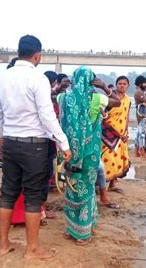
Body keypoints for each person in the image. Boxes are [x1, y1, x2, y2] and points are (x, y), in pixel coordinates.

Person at [0, 35, 71, 259]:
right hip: (34, 145)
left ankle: (3, 244)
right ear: (37, 55)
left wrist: (1, 140)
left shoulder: (2, 78)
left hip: (11, 142)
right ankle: (32, 249)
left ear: (19, 51)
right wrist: (63, 142)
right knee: (34, 196)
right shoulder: (38, 78)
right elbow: (46, 116)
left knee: (7, 193)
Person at [58, 66, 114, 245]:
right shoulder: (98, 98)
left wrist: (60, 88)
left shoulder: (65, 98)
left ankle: (72, 229)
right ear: (91, 81)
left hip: (69, 152)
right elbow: (117, 102)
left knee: (71, 187)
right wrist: (104, 87)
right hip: (90, 153)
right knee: (87, 188)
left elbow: (52, 98)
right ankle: (84, 230)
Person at [101, 75, 130, 193]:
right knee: (106, 159)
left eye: (124, 84)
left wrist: (126, 131)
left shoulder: (128, 99)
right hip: (108, 133)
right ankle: (101, 185)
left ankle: (113, 184)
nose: (122, 86)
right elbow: (102, 114)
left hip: (122, 133)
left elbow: (127, 115)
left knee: (118, 158)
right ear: (116, 85)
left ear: (128, 86)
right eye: (120, 83)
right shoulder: (110, 98)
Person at [134, 75, 146, 158]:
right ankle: (142, 152)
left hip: (140, 114)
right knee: (142, 134)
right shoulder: (139, 92)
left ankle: (137, 150)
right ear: (141, 83)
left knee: (139, 133)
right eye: (144, 83)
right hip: (143, 115)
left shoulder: (137, 91)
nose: (145, 85)